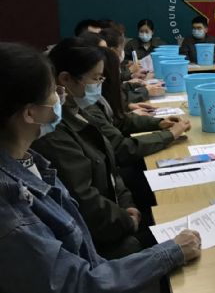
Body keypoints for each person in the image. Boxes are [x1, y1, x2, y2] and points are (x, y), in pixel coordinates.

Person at [0, 42, 200, 293]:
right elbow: (79, 282)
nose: (61, 97)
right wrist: (170, 252)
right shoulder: (11, 210)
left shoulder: (32, 161)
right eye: (53, 92)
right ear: (30, 113)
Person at [32, 38, 147, 259]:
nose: (100, 84)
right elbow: (84, 200)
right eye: (96, 78)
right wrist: (126, 220)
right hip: (99, 241)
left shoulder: (82, 109)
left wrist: (127, 205)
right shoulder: (51, 132)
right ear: (65, 79)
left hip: (115, 218)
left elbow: (110, 167)